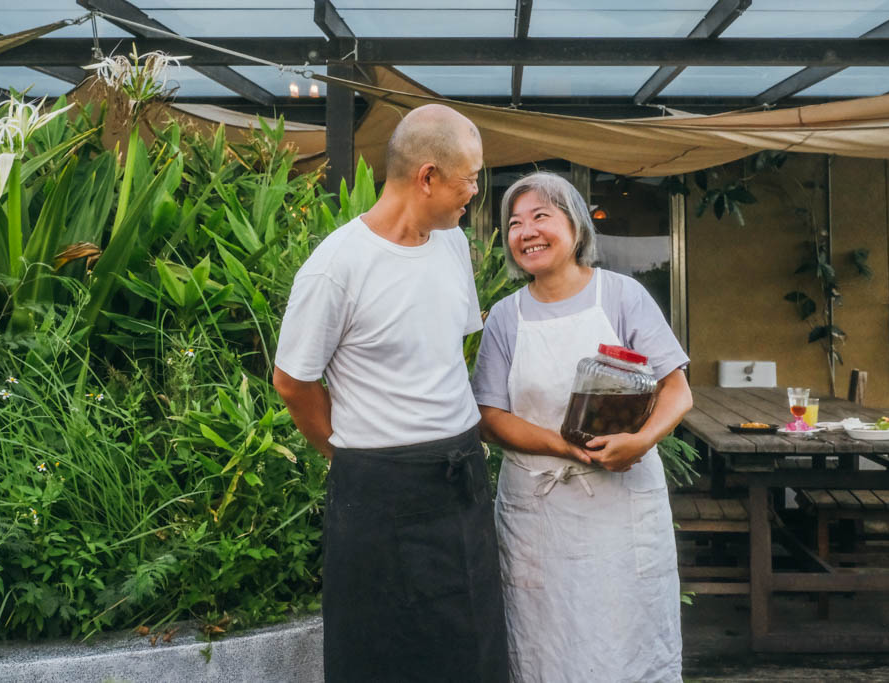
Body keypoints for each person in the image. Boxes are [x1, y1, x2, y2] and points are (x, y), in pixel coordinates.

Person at [272, 104, 508, 683]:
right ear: (427, 176)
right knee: (378, 655)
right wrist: (346, 454)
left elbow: (446, 352)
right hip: (378, 494)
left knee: (474, 650)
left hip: (460, 480)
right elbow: (292, 382)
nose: (474, 192)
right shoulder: (337, 267)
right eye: (469, 177)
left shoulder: (452, 245)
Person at [472, 171, 692, 682]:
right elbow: (489, 416)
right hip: (539, 515)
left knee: (626, 642)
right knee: (542, 645)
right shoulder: (506, 317)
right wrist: (565, 447)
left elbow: (677, 390)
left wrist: (640, 439)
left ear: (574, 225)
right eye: (514, 223)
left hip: (621, 509)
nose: (526, 231)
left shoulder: (622, 296)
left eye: (540, 217)